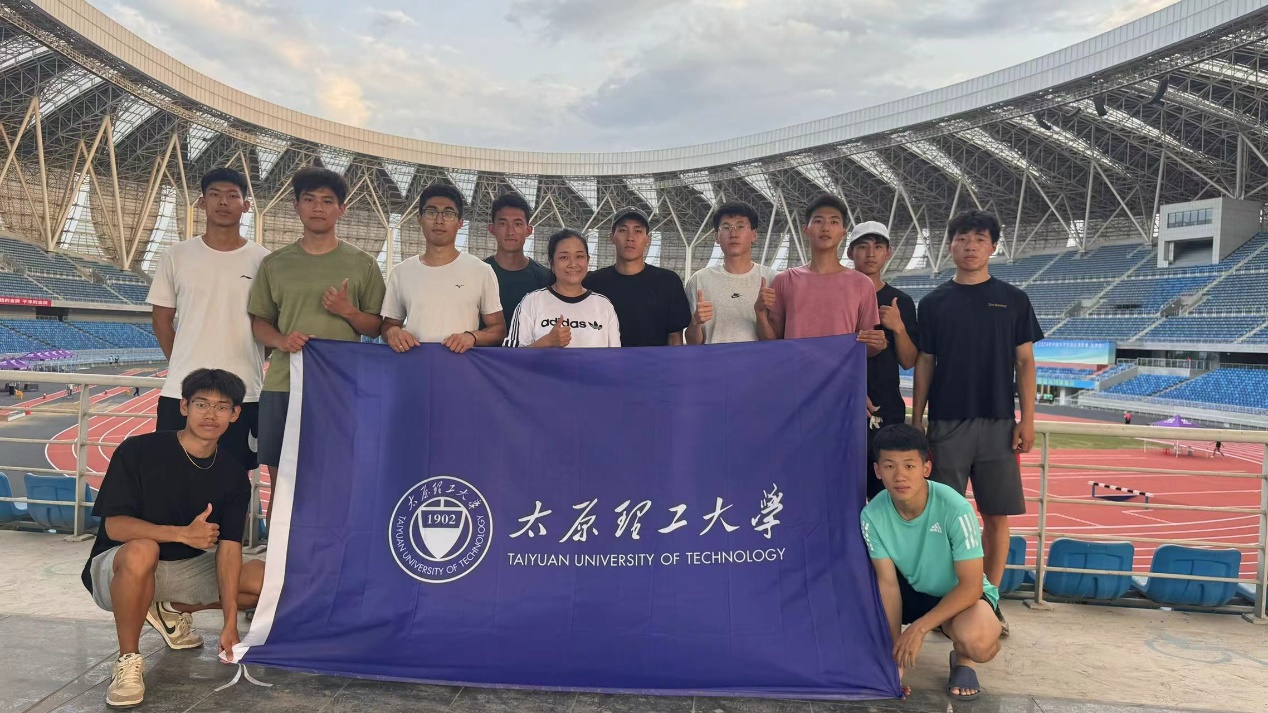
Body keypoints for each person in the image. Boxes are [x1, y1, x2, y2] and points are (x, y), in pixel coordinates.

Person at [81, 369, 265, 709]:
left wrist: (229, 625)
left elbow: (229, 549)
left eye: (222, 407)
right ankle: (128, 661)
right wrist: (182, 534)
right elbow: (115, 528)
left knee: (264, 582)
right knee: (143, 550)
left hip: (183, 570)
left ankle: (167, 608)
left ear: (235, 414)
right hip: (120, 567)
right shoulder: (138, 451)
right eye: (201, 404)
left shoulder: (233, 475)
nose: (210, 415)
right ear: (184, 406)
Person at [912, 209, 1042, 637]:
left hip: (999, 424)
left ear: (993, 247)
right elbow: (925, 362)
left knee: (996, 517)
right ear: (950, 245)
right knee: (942, 519)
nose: (971, 246)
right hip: (946, 423)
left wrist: (1027, 419)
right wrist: (918, 418)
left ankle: (989, 601)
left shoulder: (1014, 299)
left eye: (980, 239)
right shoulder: (934, 303)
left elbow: (1025, 362)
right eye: (963, 238)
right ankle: (944, 603)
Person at [248, 166, 386, 473]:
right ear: (296, 206)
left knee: (338, 475)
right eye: (309, 199)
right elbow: (260, 322)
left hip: (340, 386)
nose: (318, 208)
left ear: (341, 209)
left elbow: (377, 327)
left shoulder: (364, 264)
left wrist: (347, 311)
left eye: (327, 201)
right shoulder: (274, 264)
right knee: (282, 479)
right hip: (284, 383)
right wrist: (282, 340)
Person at [861, 424, 1002, 701]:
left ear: (926, 468)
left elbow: (971, 586)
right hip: (913, 591)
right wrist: (895, 659)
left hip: (960, 596)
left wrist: (919, 628)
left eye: (909, 466)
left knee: (978, 642)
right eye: (889, 466)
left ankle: (963, 659)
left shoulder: (955, 508)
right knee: (856, 618)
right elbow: (888, 585)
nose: (899, 476)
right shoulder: (872, 515)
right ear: (877, 471)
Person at [149, 167, 270, 470]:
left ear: (246, 205)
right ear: (202, 202)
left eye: (232, 196)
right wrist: (182, 364)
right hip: (182, 390)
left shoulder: (264, 261)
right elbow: (162, 320)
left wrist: (252, 358)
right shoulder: (175, 255)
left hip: (244, 391)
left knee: (234, 477)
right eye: (215, 194)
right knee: (171, 474)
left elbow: (272, 325)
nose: (223, 202)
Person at [755, 193, 886, 359]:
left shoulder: (862, 284)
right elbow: (772, 342)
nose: (825, 227)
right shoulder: (785, 280)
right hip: (796, 373)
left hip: (840, 374)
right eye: (818, 221)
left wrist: (878, 345)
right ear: (805, 230)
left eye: (834, 222)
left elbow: (865, 347)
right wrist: (760, 313)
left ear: (843, 233)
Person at [380, 184, 506, 354]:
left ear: (460, 223)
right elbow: (388, 325)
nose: (439, 220)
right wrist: (393, 332)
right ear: (420, 218)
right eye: (431, 212)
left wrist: (472, 337)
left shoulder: (481, 271)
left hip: (461, 367)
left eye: (448, 214)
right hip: (414, 365)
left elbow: (498, 330)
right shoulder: (401, 272)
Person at [848, 220, 918, 501]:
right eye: (863, 247)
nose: (870, 253)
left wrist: (898, 328)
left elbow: (909, 361)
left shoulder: (900, 301)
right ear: (851, 252)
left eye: (878, 247)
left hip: (885, 410)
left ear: (888, 253)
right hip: (842, 405)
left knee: (885, 496)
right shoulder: (837, 296)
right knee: (843, 493)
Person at [584, 207, 691, 347]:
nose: (630, 238)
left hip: (653, 361)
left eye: (638, 231)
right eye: (623, 230)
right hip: (606, 361)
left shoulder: (668, 282)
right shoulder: (592, 283)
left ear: (648, 239)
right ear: (611, 237)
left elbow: (675, 338)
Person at [505, 229, 620, 348]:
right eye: (564, 257)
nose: (573, 264)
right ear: (552, 263)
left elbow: (615, 356)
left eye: (579, 256)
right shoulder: (531, 302)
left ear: (588, 261)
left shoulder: (604, 306)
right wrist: (546, 342)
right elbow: (511, 356)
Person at [684, 201, 778, 345]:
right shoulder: (699, 280)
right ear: (717, 237)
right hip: (714, 359)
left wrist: (760, 314)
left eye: (740, 226)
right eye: (726, 227)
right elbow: (692, 343)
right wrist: (696, 322)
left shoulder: (773, 279)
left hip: (757, 360)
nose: (733, 234)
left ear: (754, 234)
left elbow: (776, 343)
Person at [485, 193, 550, 321]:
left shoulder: (546, 279)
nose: (510, 232)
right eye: (503, 224)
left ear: (529, 230)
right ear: (492, 229)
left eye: (518, 224)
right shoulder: (478, 274)